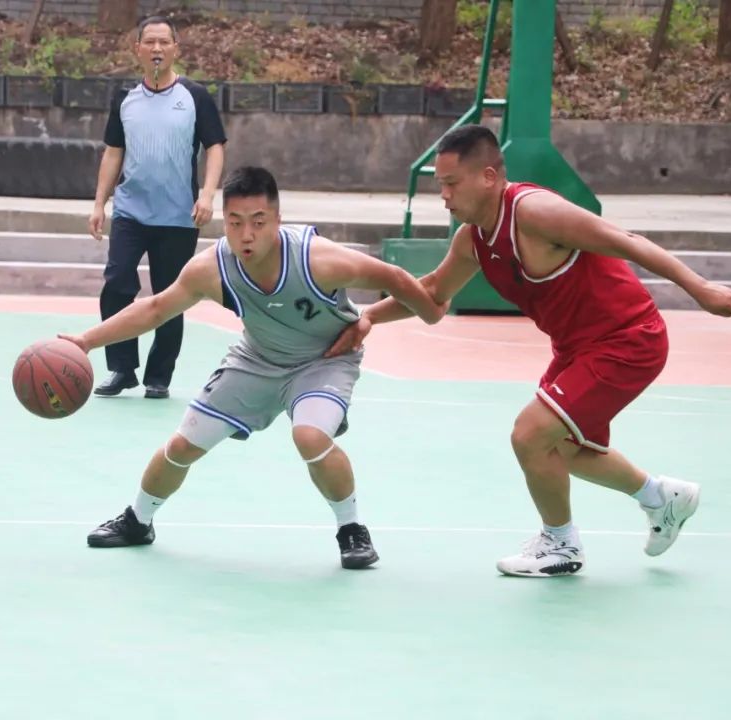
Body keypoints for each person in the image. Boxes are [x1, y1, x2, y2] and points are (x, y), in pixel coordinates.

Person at [327, 124, 731, 577]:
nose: (444, 196)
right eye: (440, 185)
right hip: (576, 348)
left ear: (488, 176)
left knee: (530, 434)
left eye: (451, 183)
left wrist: (700, 289)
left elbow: (628, 242)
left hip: (627, 338)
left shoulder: (536, 213)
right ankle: (662, 498)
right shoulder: (472, 239)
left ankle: (560, 544)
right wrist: (369, 316)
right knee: (560, 450)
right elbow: (432, 294)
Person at [60, 166, 447, 568]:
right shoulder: (211, 269)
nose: (247, 234)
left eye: (258, 222)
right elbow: (156, 308)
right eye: (235, 222)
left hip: (324, 360)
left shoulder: (318, 259)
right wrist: (86, 341)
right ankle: (138, 520)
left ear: (278, 220)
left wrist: (421, 312)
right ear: (223, 222)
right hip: (256, 359)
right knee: (182, 445)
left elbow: (393, 277)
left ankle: (351, 530)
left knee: (310, 436)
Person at [88, 15, 226, 400]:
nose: (157, 48)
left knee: (170, 296)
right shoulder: (125, 100)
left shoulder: (194, 96)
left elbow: (215, 147)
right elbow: (113, 152)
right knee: (117, 284)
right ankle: (122, 368)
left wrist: (207, 195)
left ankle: (158, 377)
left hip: (178, 217)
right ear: (137, 50)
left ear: (175, 49)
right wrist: (99, 203)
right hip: (130, 212)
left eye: (164, 42)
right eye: (149, 42)